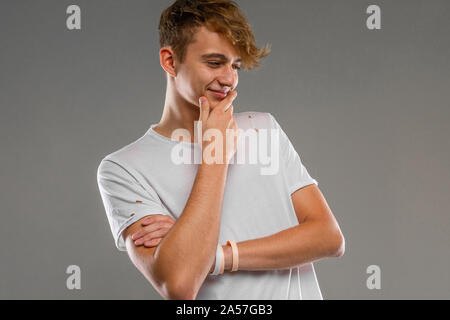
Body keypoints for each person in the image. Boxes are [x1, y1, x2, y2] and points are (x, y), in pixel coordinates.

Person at [97, 0, 344, 300]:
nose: (229, 79)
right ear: (170, 61)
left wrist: (213, 256)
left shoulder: (262, 129)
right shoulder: (123, 168)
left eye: (235, 66)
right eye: (214, 63)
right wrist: (215, 155)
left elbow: (328, 237)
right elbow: (180, 285)